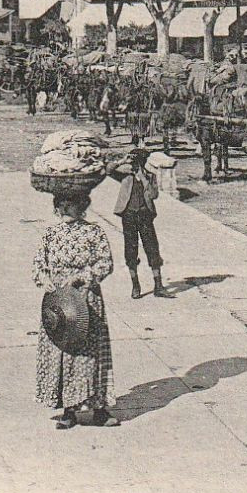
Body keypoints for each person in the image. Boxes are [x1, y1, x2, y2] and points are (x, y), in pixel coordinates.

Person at [33, 192, 118, 430]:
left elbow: (105, 262)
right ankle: (68, 410)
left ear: (81, 206)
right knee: (62, 351)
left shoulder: (94, 232)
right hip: (58, 303)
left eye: (70, 205)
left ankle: (98, 409)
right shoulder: (50, 234)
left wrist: (81, 277)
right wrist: (45, 280)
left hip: (85, 299)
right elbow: (39, 264)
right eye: (61, 205)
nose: (65, 210)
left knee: (90, 353)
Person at [113, 148, 169, 299]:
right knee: (131, 249)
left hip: (145, 215)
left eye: (138, 162)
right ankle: (135, 285)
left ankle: (158, 285)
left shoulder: (150, 177)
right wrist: (122, 161)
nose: (135, 165)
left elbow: (153, 195)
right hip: (129, 215)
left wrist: (143, 178)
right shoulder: (125, 176)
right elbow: (107, 170)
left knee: (152, 248)